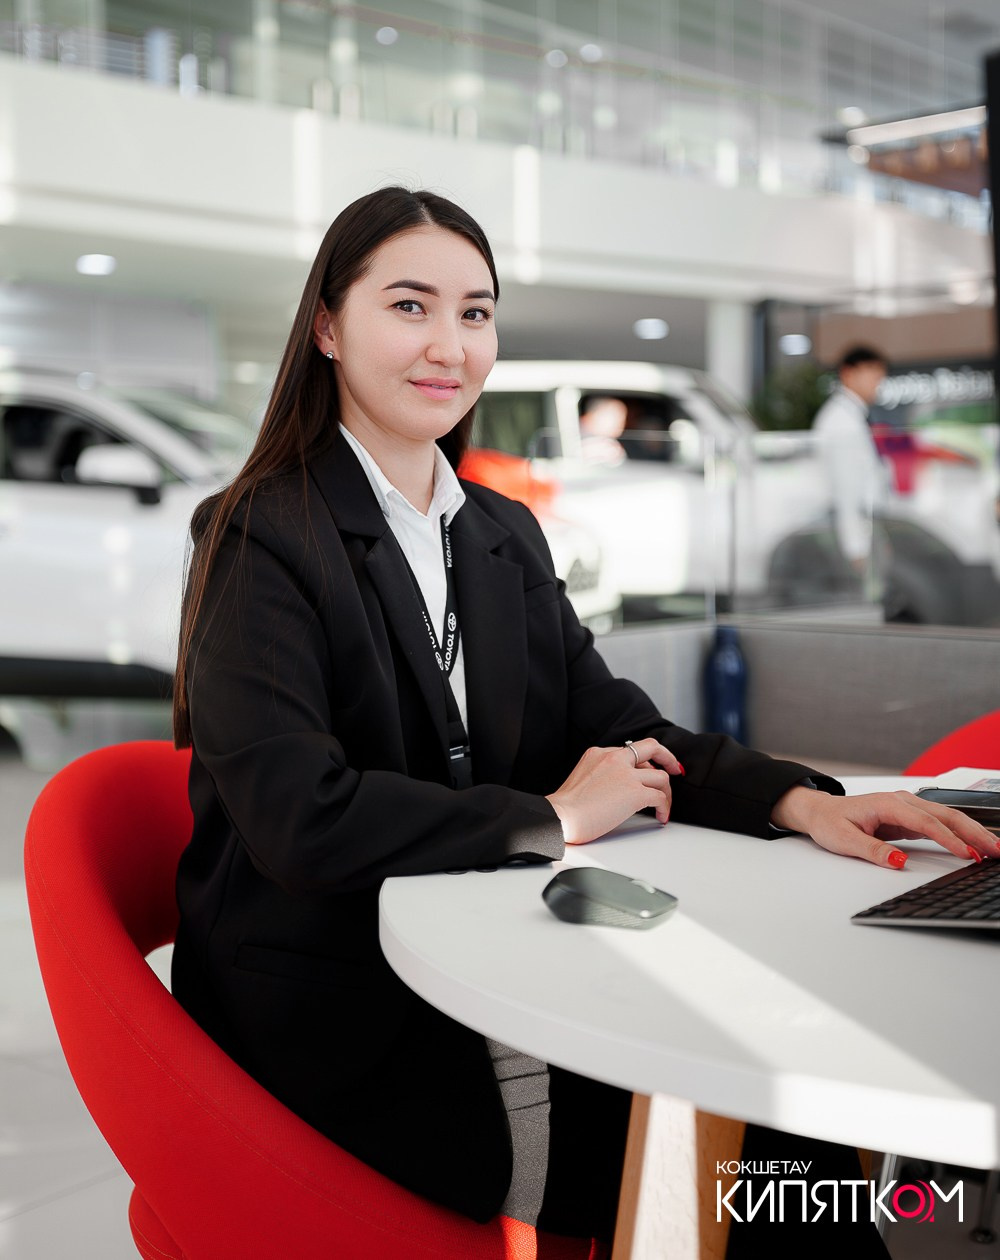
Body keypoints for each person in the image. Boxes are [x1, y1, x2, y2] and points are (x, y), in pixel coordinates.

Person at [171, 192, 996, 1247]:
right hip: (350, 1021)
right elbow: (301, 819)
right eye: (410, 306)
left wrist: (799, 800)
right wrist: (554, 819)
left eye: (475, 313)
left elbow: (615, 723)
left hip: (493, 961)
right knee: (763, 1165)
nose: (448, 345)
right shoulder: (259, 534)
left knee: (794, 1135)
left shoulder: (499, 534)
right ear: (327, 327)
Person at [812, 345, 889, 575]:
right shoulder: (840, 422)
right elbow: (845, 488)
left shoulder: (853, 416)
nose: (878, 382)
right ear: (848, 373)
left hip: (864, 525)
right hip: (851, 531)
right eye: (872, 374)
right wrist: (856, 548)